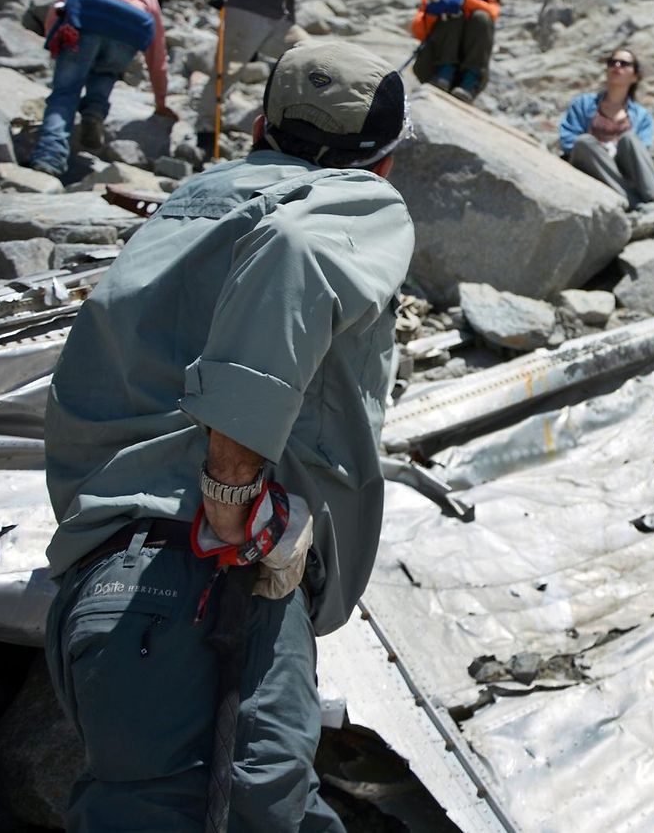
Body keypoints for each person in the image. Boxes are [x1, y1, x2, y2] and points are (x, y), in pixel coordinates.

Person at [41, 40, 413, 830]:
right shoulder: (346, 205)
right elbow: (299, 253)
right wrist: (233, 492)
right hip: (220, 572)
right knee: (266, 812)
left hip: (108, 579)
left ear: (260, 128)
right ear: (383, 159)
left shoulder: (189, 206)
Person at [27, 0, 174, 178]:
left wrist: (53, 39)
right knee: (107, 72)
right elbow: (158, 54)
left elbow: (60, 4)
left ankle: (50, 158)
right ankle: (94, 113)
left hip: (87, 17)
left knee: (65, 93)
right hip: (130, 27)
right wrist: (161, 101)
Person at [189, 0, 319, 150]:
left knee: (313, 57)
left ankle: (294, 125)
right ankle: (206, 133)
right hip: (242, 12)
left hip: (280, 21)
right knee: (226, 72)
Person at [558, 47, 654, 212]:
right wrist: (602, 151)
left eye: (624, 64)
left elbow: (642, 151)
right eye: (612, 62)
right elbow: (568, 139)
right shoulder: (583, 103)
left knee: (630, 139)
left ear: (635, 76)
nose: (617, 66)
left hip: (623, 170)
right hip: (592, 166)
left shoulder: (642, 116)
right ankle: (634, 202)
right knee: (584, 141)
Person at [410, 0, 502, 102]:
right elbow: (418, 31)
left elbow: (491, 14)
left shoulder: (489, 4)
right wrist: (433, 14)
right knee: (453, 16)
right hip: (431, 67)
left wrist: (464, 0)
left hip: (465, 78)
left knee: (481, 18)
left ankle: (469, 82)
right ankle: (443, 74)